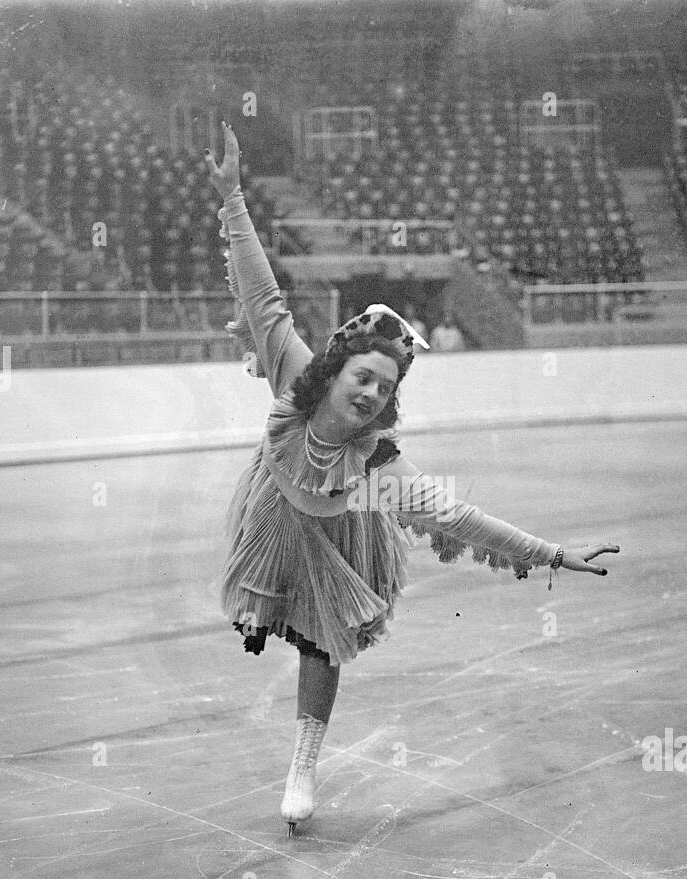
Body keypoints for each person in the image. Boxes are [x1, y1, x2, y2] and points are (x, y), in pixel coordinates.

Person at [205, 123, 619, 836]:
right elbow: (262, 294)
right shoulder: (293, 370)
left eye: (385, 386)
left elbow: (461, 519)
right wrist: (233, 198)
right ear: (335, 369)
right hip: (275, 512)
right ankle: (264, 614)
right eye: (363, 376)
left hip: (340, 538)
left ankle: (303, 761)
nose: (369, 393)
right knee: (264, 608)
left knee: (320, 641)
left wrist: (553, 554)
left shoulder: (379, 468)